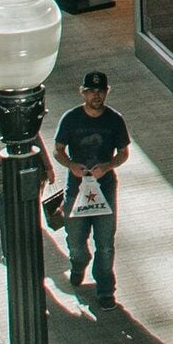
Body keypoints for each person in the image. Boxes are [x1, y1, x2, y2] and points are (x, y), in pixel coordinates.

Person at [51, 71, 129, 306]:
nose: (96, 95)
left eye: (101, 91)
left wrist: (108, 166)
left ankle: (105, 289)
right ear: (83, 92)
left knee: (105, 244)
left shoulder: (115, 120)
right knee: (76, 241)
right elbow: (58, 149)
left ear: (107, 92)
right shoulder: (71, 118)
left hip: (104, 187)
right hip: (76, 188)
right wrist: (71, 165)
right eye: (92, 91)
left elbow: (124, 153)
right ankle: (78, 262)